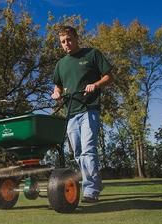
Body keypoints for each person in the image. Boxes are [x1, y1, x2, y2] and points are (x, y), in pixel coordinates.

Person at [52, 25, 112, 203]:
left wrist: (96, 84)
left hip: (89, 109)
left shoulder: (92, 54)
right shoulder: (61, 64)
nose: (66, 44)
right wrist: (56, 93)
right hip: (71, 112)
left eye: (69, 40)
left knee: (88, 149)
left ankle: (91, 189)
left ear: (76, 38)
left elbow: (109, 76)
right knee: (78, 153)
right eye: (63, 42)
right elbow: (58, 85)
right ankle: (96, 183)